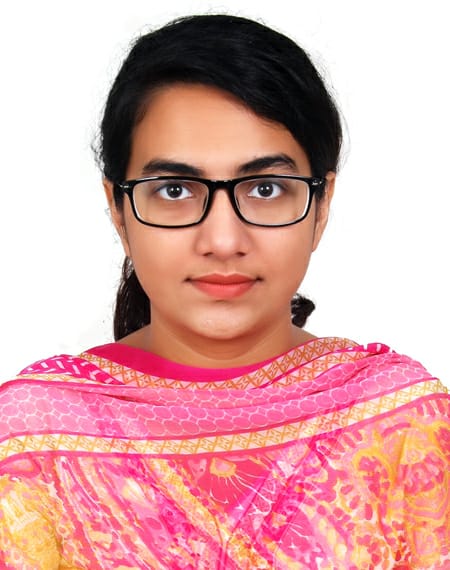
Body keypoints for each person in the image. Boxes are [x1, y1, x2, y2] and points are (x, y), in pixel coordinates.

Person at [0, 13, 448, 569]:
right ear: (117, 208)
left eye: (265, 188)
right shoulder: (34, 438)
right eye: (174, 189)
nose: (222, 241)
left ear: (321, 205)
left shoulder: (403, 423)